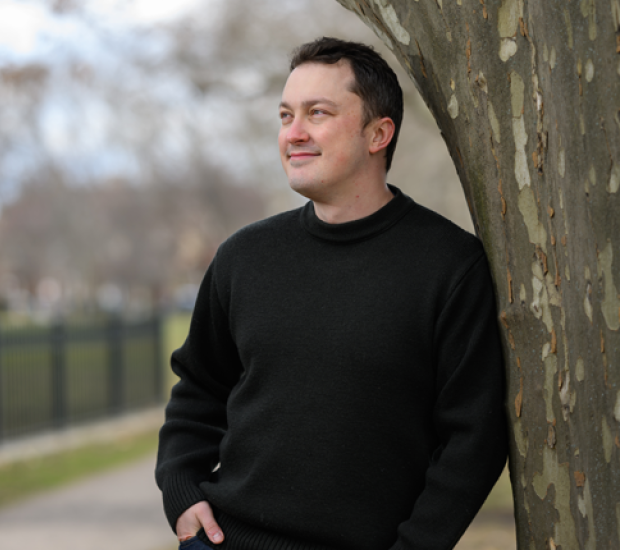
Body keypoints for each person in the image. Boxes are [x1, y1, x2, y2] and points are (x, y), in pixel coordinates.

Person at [155, 36, 508, 550]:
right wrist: (182, 492)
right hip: (226, 540)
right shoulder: (244, 258)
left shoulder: (449, 266)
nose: (293, 134)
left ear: (378, 133)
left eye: (317, 113)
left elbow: (473, 440)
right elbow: (198, 389)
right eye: (284, 116)